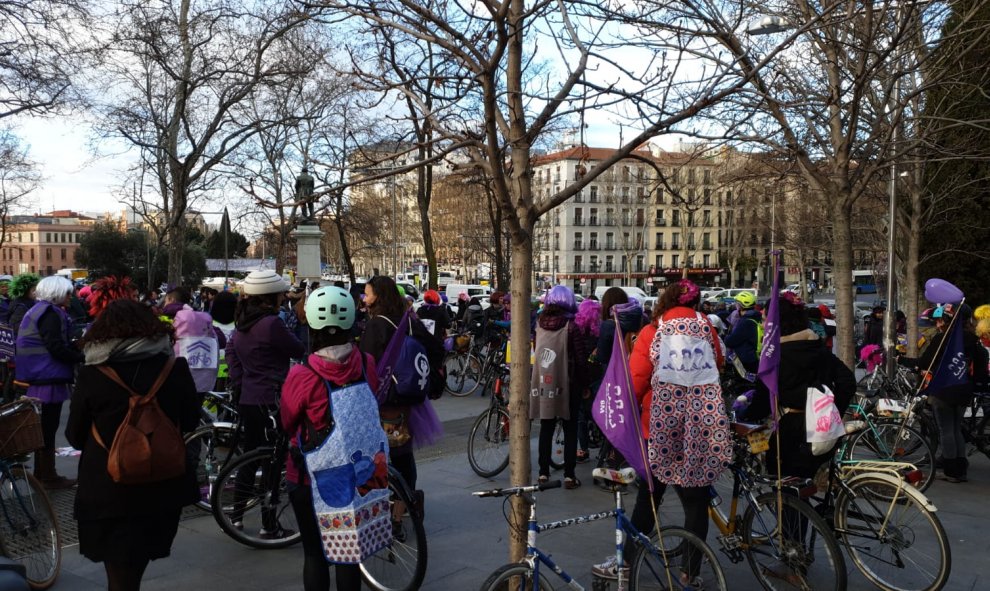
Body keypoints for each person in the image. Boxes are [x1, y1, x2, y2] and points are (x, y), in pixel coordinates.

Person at [593, 279, 728, 581]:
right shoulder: (707, 329)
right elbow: (717, 365)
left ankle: (626, 563)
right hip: (699, 431)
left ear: (665, 301)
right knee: (696, 503)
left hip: (658, 430)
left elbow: (636, 381)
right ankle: (688, 574)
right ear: (696, 304)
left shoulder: (653, 331)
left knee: (648, 499)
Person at [66, 299, 200, 591]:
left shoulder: (92, 374)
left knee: (119, 574)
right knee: (133, 570)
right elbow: (190, 421)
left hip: (107, 490)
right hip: (162, 488)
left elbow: (73, 436)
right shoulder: (174, 368)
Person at [281, 286, 379, 591]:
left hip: (311, 477)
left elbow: (287, 421)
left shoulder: (302, 374)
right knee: (348, 554)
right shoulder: (366, 363)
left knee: (315, 553)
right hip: (356, 472)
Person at [226, 270, 305, 538]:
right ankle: (268, 523)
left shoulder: (243, 322)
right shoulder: (271, 323)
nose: (285, 297)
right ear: (270, 297)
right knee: (273, 460)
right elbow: (297, 349)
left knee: (250, 457)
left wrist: (239, 379)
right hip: (271, 399)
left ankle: (236, 515)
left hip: (249, 397)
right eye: (281, 293)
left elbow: (231, 352)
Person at [748, 294, 856, 480]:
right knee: (805, 488)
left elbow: (762, 403)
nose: (763, 325)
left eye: (765, 319)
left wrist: (745, 416)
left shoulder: (773, 358)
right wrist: (831, 411)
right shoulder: (817, 347)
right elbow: (847, 381)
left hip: (791, 433)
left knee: (786, 491)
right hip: (823, 434)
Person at [360, 276, 443, 495]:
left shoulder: (376, 324)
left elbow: (368, 363)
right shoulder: (408, 320)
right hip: (411, 397)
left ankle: (394, 500)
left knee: (381, 453)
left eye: (367, 294)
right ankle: (407, 499)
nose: (364, 299)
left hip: (387, 398)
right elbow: (436, 349)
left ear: (378, 296)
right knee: (403, 452)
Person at [902, 303, 987, 482]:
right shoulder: (973, 339)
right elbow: (979, 368)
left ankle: (951, 471)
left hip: (944, 390)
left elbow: (926, 362)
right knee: (956, 428)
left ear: (950, 319)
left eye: (942, 319)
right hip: (964, 390)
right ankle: (961, 467)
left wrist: (903, 360)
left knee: (945, 429)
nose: (939, 323)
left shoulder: (943, 339)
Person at [15, 276, 85, 489]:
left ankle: (42, 474)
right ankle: (48, 476)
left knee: (45, 428)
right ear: (56, 293)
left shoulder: (37, 310)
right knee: (48, 427)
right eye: (67, 293)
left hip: (38, 375)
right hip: (48, 376)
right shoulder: (51, 314)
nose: (70, 297)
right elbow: (55, 346)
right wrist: (81, 356)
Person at [531, 285, 588, 489]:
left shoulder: (539, 323)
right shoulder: (572, 327)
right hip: (568, 384)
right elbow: (581, 360)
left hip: (544, 382)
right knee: (570, 428)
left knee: (546, 427)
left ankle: (543, 473)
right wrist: (585, 383)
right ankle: (569, 476)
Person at [592, 288, 644, 466]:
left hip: (612, 377)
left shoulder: (608, 324)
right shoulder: (639, 321)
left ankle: (610, 460)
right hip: (635, 375)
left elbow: (603, 356)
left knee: (611, 420)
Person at [573, 298, 602, 463]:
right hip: (597, 377)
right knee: (596, 412)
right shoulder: (599, 332)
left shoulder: (575, 330)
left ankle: (583, 449)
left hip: (580, 377)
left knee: (580, 417)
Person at [723, 291, 762, 375]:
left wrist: (726, 337)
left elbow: (730, 341)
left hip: (746, 360)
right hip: (755, 358)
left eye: (737, 304)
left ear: (741, 306)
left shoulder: (745, 322)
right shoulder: (757, 317)